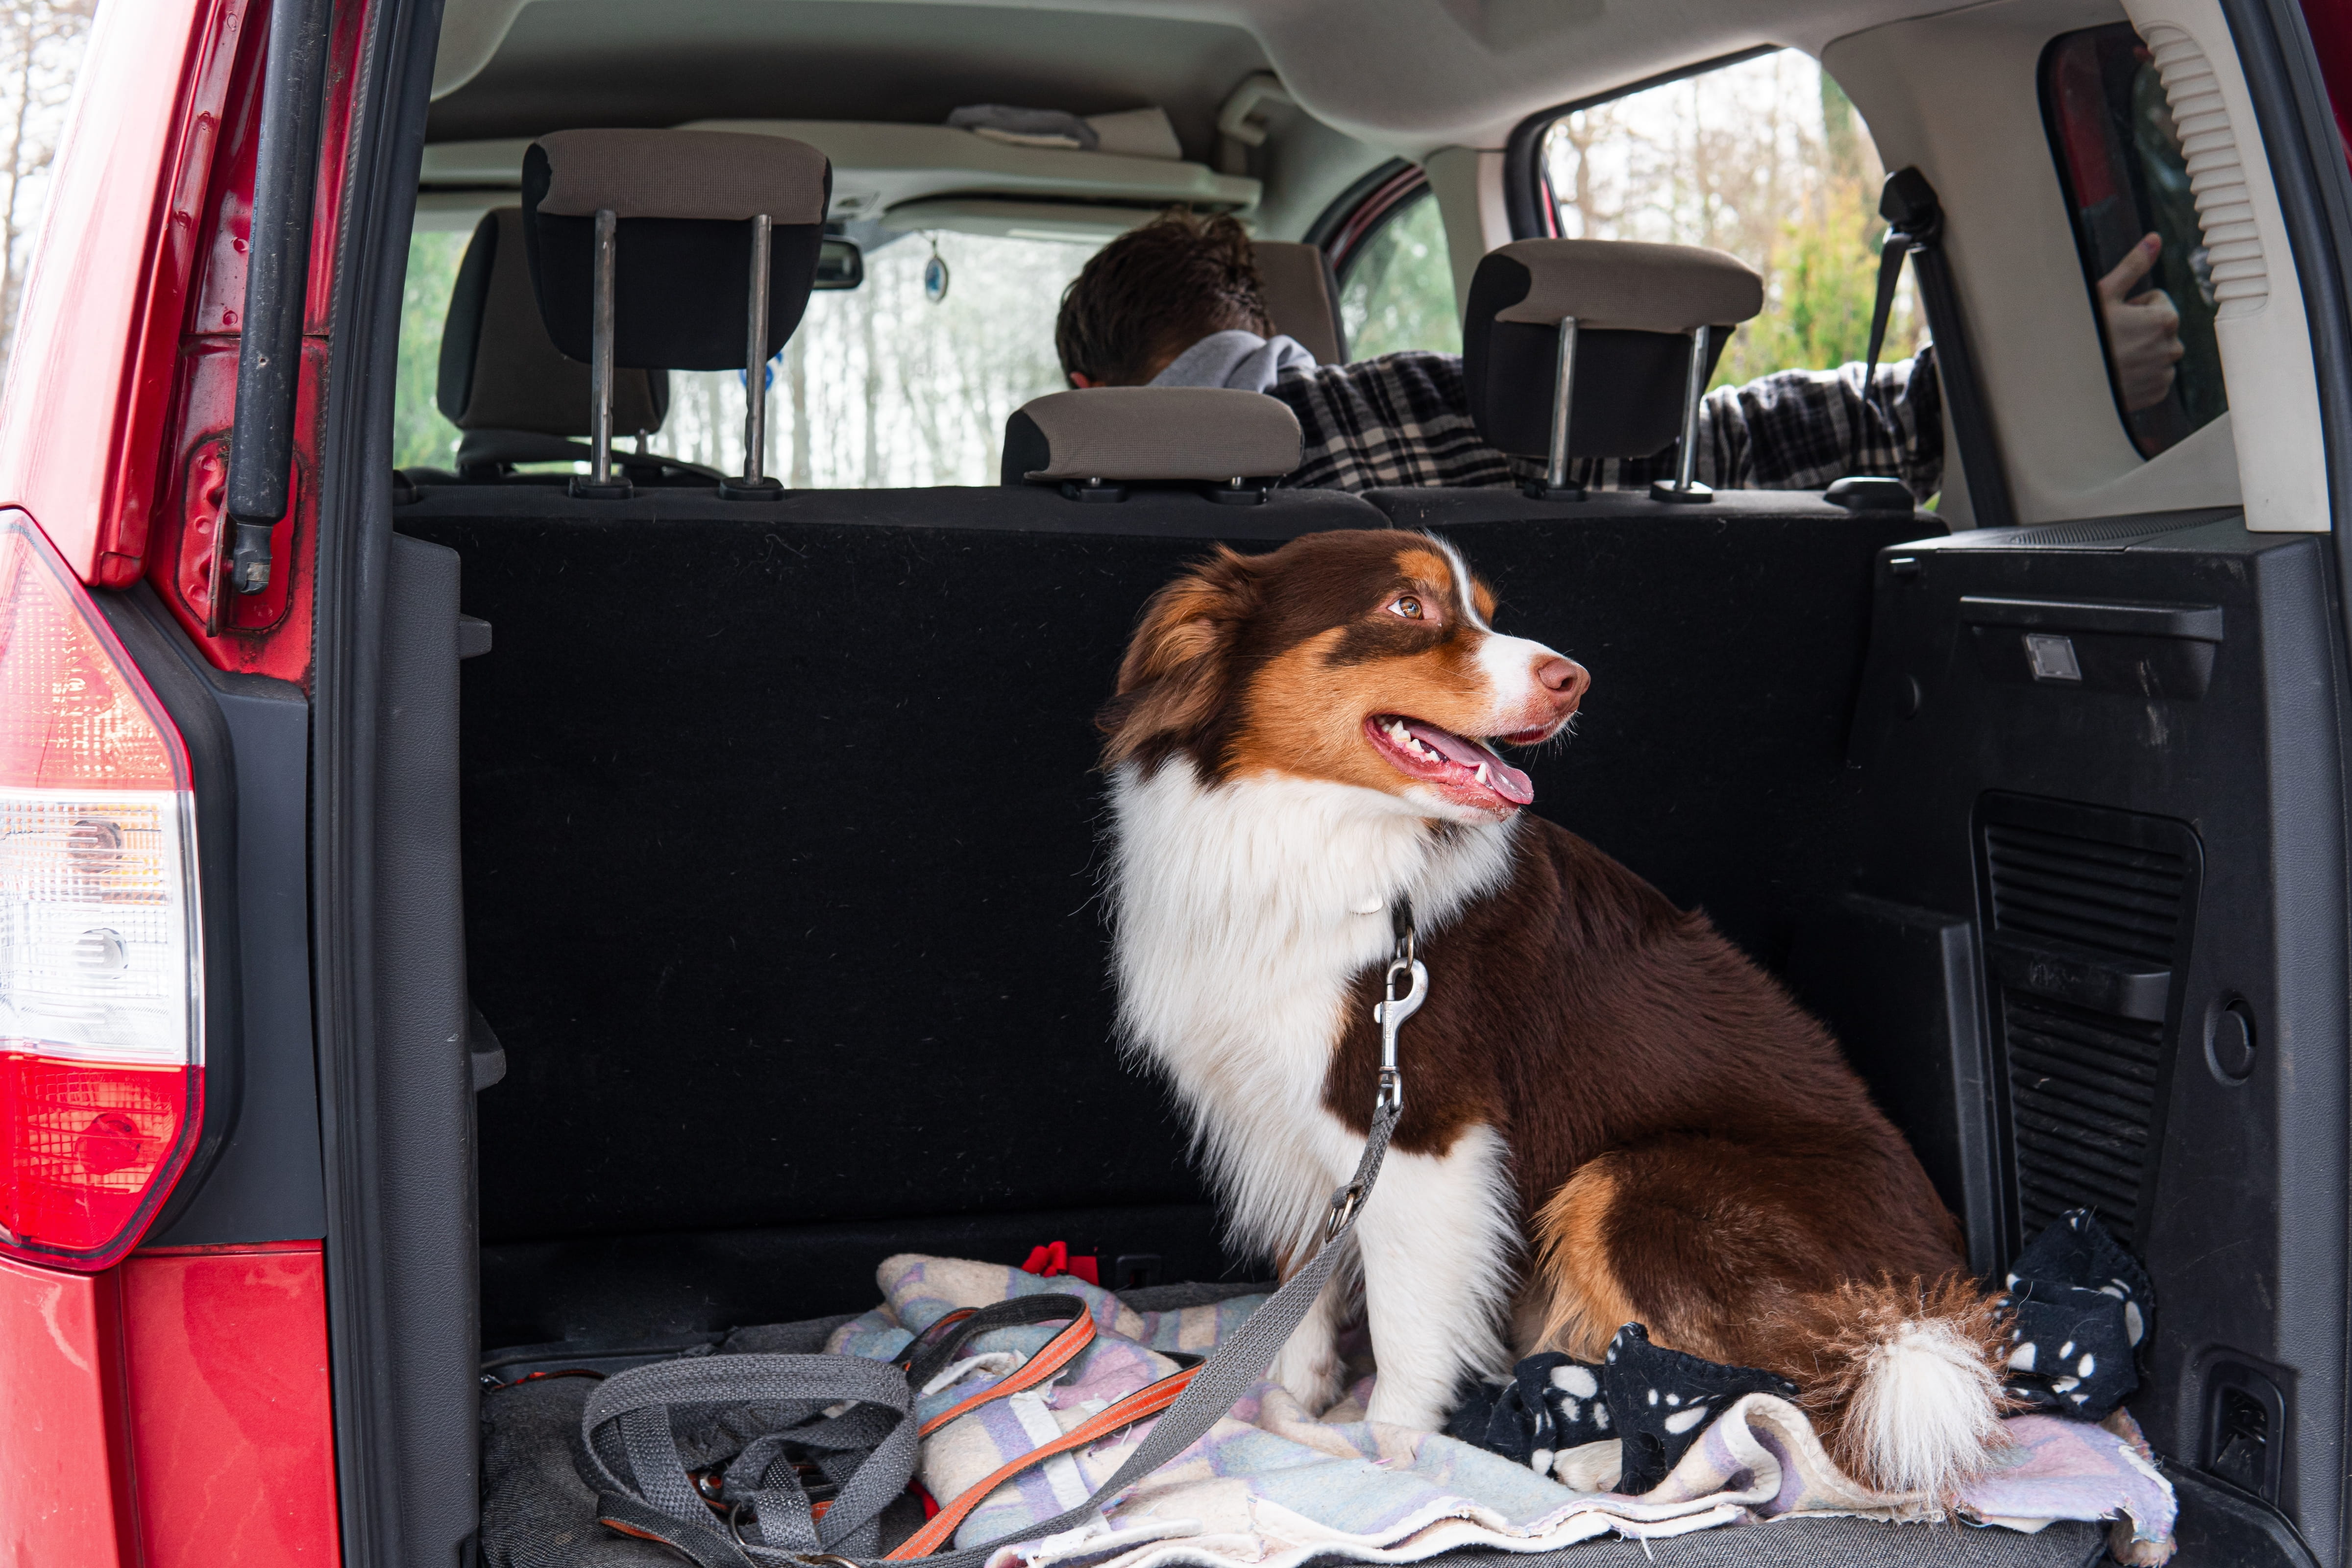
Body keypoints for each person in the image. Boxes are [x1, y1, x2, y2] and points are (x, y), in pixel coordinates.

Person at [1052, 211, 2185, 504]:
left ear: (1088, 393)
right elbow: (1747, 441)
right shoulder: (1474, 411)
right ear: (1268, 327)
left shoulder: (1066, 504)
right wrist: (2056, 369)